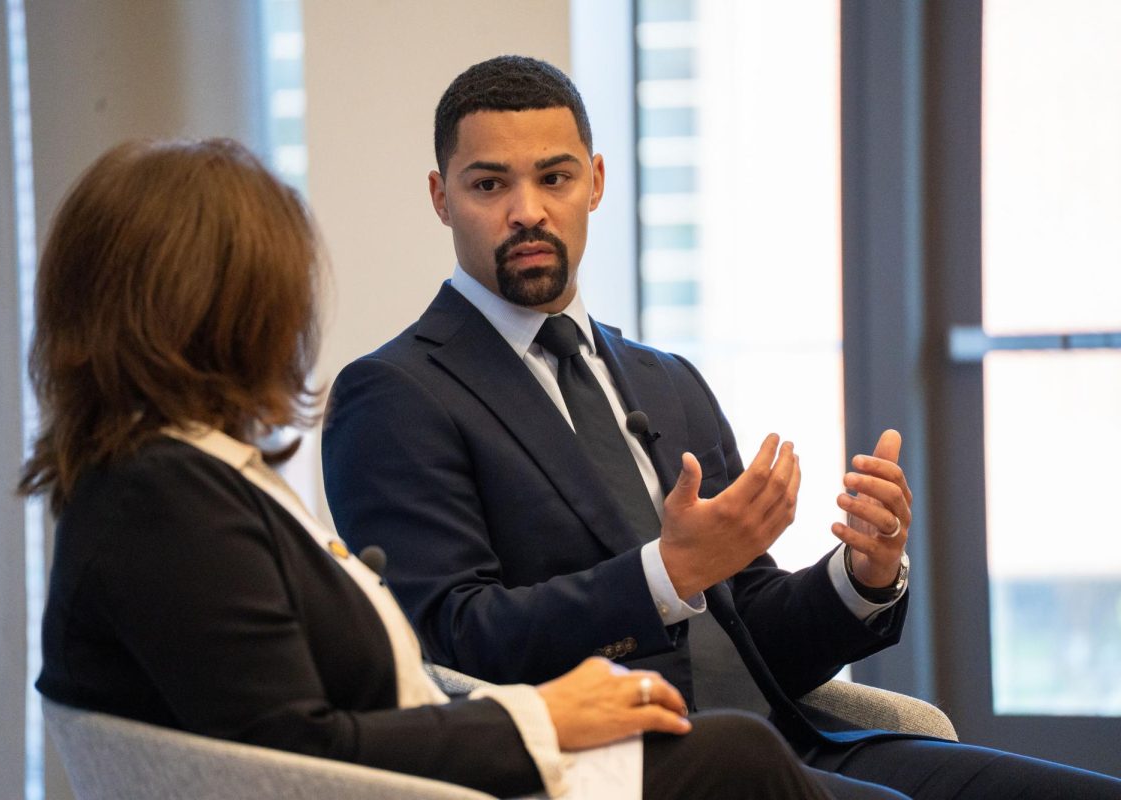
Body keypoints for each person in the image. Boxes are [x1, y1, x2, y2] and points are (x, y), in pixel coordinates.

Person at [321, 56, 1121, 798]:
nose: (527, 211)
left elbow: (757, 631)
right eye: (489, 185)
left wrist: (862, 575)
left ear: (594, 182)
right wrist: (664, 573)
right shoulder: (394, 394)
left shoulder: (666, 381)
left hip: (794, 741)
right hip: (634, 768)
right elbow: (454, 643)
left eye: (554, 177)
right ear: (440, 196)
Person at [22, 137, 852, 798]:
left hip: (466, 759)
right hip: (452, 777)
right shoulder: (165, 501)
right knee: (738, 758)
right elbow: (298, 749)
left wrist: (860, 578)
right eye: (279, 289)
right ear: (223, 309)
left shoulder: (182, 479)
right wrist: (545, 716)